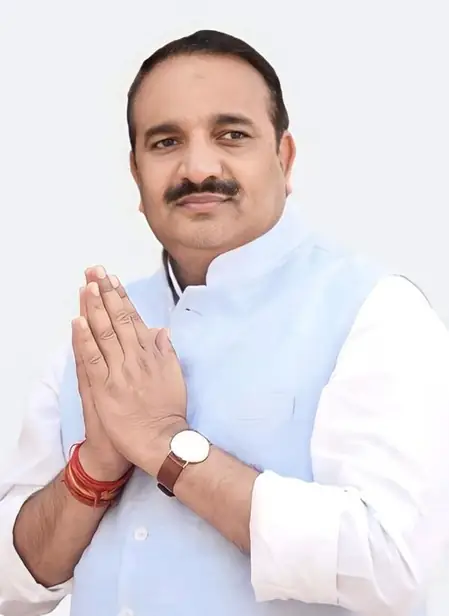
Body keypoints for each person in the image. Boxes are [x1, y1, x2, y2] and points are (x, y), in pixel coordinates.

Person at [1, 29, 449, 616]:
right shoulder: (100, 331)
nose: (198, 167)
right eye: (165, 142)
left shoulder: (375, 312)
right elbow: (11, 586)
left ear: (284, 159)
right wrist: (94, 469)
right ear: (136, 174)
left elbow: (393, 568)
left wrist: (166, 445)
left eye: (231, 134)